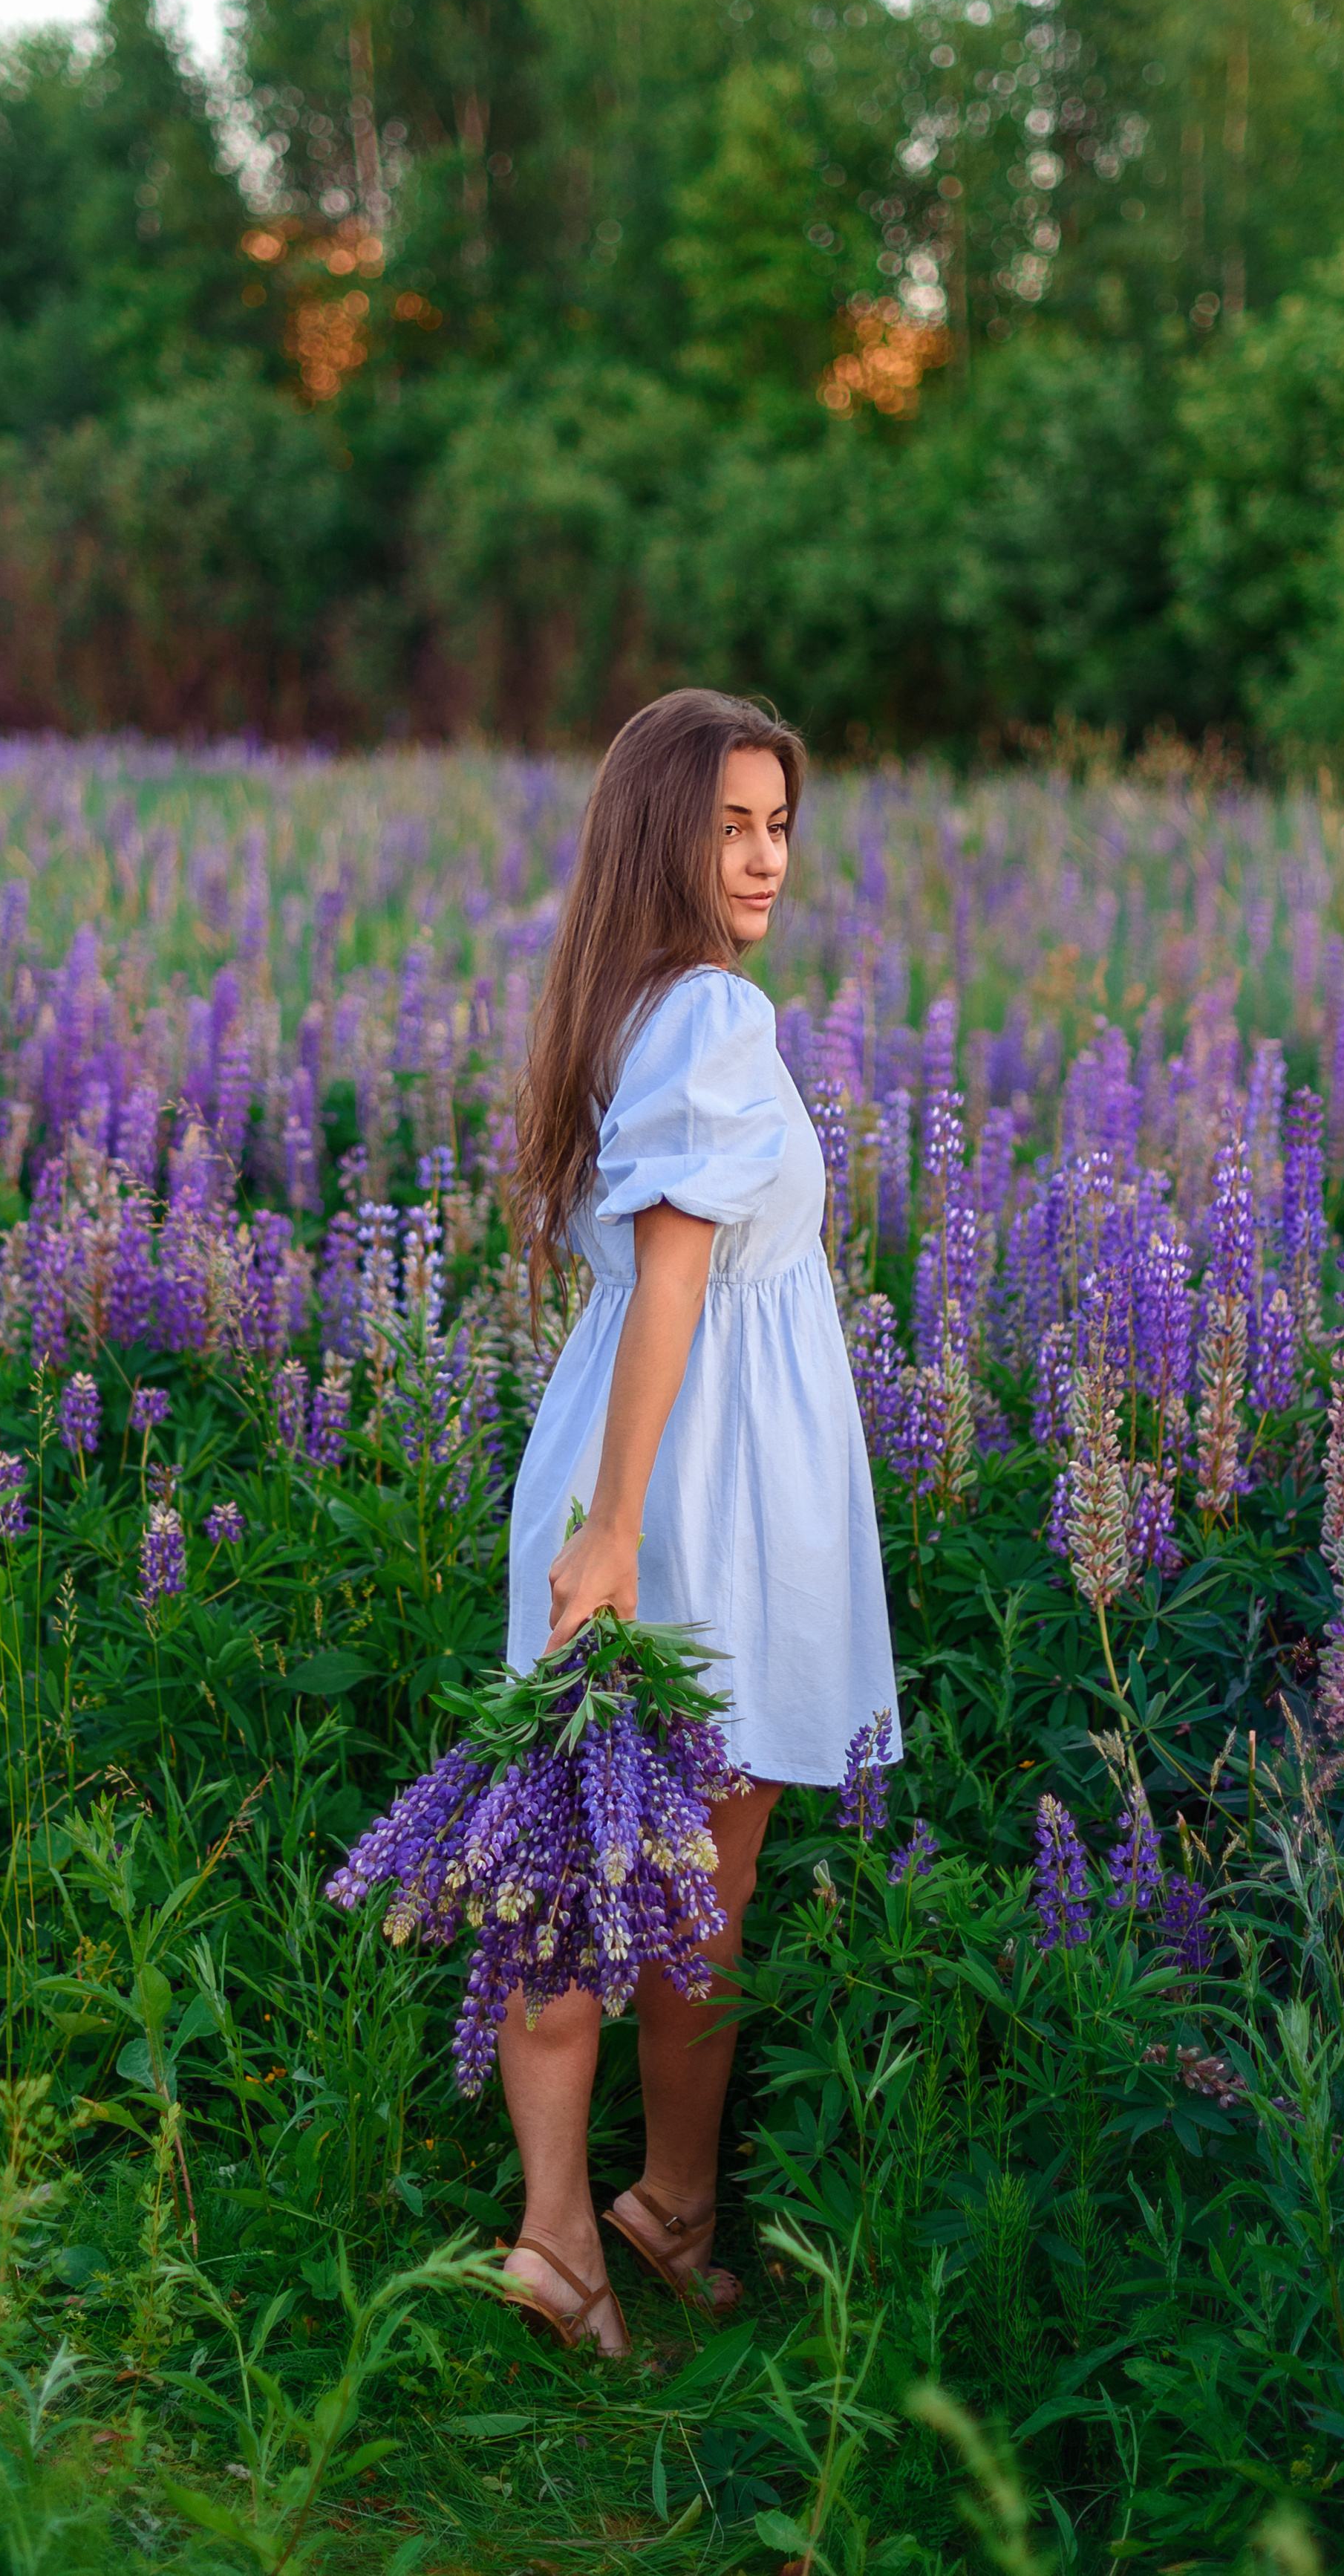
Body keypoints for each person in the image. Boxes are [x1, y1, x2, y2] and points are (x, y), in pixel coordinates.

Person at [498, 688, 898, 2354]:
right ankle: (567, 2237)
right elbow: (673, 1279)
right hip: (688, 1496)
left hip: (656, 1468)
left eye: (776, 824)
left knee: (655, 1883)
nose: (760, 857)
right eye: (727, 824)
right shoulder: (712, 1021)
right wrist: (617, 1534)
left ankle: (651, 2212)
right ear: (663, 837)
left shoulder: (639, 1003)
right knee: (630, 1880)